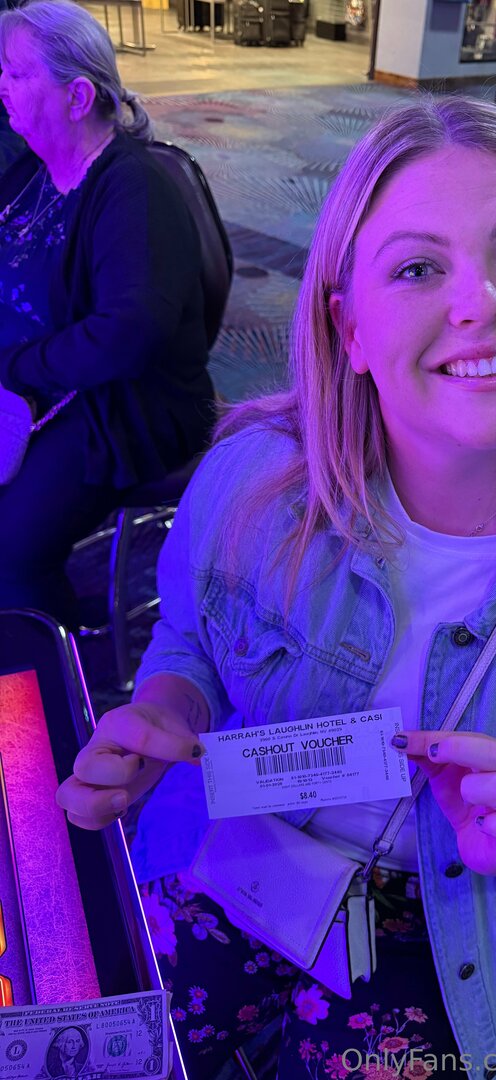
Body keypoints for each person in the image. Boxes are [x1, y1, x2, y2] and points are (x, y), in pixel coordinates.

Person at [56, 97, 496, 1080]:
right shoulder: (252, 480)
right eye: (417, 268)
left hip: (451, 928)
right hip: (236, 852)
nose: (482, 303)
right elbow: (191, 633)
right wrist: (171, 708)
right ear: (347, 326)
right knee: (102, 1047)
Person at [0, 0, 214, 625]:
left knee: (10, 550)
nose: (2, 86)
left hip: (126, 406)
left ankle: (47, 667)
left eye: (17, 73)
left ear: (77, 96)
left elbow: (127, 336)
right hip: (45, 383)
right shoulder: (35, 168)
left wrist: (15, 368)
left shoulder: (133, 189)